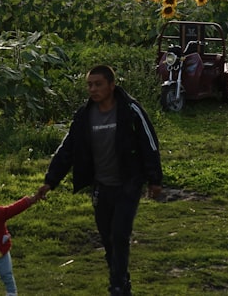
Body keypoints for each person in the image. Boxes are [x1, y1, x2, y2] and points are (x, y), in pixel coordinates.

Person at [38, 65, 163, 296]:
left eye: (98, 84)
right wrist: (50, 181)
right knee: (107, 238)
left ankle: (117, 286)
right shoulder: (84, 116)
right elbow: (68, 149)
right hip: (102, 185)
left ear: (111, 86)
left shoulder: (130, 110)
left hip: (128, 182)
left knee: (119, 234)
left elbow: (149, 143)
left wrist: (155, 179)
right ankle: (120, 278)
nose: (93, 89)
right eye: (89, 84)